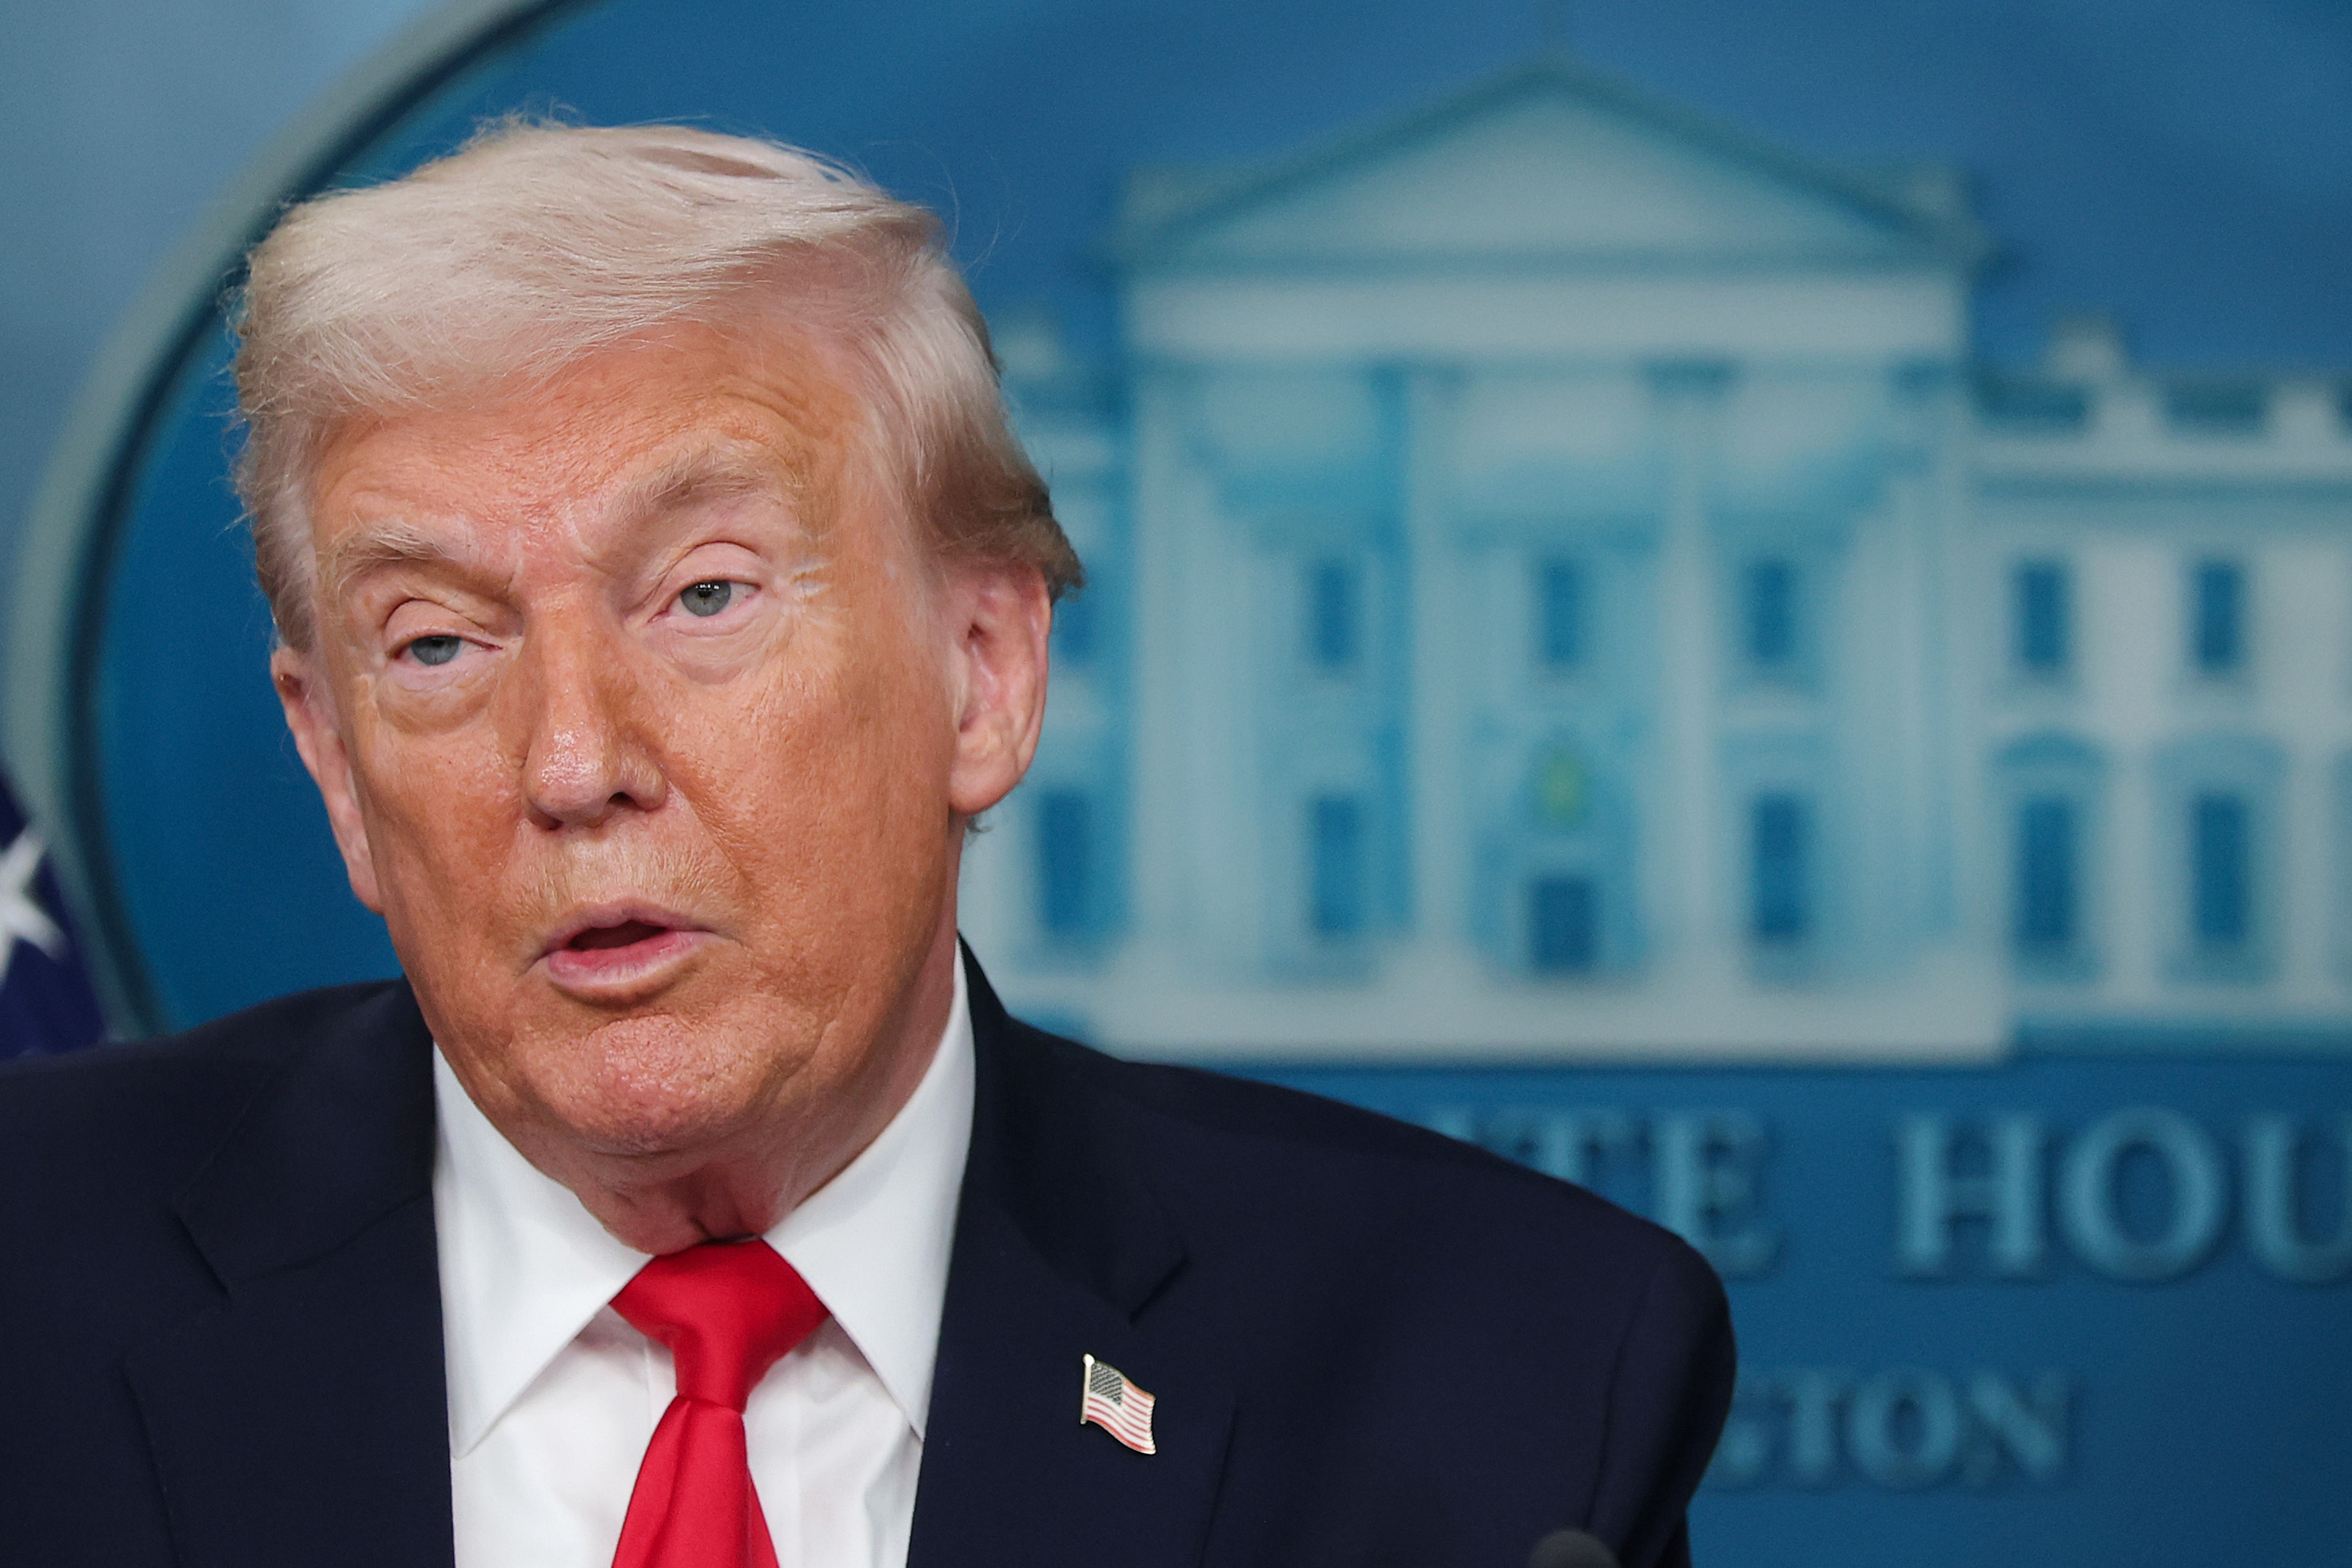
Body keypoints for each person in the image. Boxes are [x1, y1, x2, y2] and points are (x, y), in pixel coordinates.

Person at [0, 123, 1732, 1568]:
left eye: (704, 596)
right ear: (332, 759)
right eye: (438, 643)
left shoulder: (1500, 1382)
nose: (577, 762)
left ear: (980, 676)